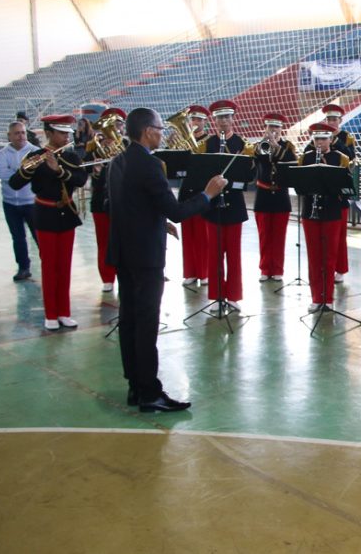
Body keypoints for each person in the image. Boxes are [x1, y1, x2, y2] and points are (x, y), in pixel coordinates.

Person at [106, 107, 226, 412]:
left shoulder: (117, 161)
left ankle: (135, 385)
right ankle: (149, 393)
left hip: (124, 252)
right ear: (148, 131)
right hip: (146, 256)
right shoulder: (149, 165)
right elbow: (178, 211)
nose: (164, 133)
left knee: (129, 320)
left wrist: (158, 222)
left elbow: (129, 205)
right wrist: (208, 194)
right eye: (161, 128)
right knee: (146, 324)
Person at [8, 115, 87, 330]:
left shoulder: (71, 156)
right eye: (61, 133)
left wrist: (59, 170)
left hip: (66, 216)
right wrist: (29, 169)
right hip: (44, 215)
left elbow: (80, 180)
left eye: (67, 133)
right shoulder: (35, 156)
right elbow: (15, 183)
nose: (65, 137)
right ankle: (51, 314)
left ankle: (64, 312)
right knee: (49, 266)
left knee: (65, 266)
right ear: (49, 134)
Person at [198, 99, 254, 311]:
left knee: (234, 253)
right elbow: (201, 173)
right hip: (212, 205)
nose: (223, 121)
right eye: (220, 118)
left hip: (234, 205)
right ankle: (216, 295)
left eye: (227, 117)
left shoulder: (243, 145)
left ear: (233, 118)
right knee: (214, 252)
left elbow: (249, 176)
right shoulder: (207, 144)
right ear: (215, 120)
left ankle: (233, 296)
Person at [299, 122, 351, 311]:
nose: (320, 142)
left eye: (323, 138)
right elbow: (299, 187)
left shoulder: (341, 158)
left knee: (329, 257)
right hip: (309, 212)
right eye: (317, 138)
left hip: (331, 211)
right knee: (314, 257)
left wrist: (329, 175)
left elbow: (346, 189)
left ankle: (327, 299)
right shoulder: (305, 158)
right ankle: (316, 298)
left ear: (331, 139)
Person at [86, 107, 128, 293]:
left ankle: (124, 275)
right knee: (103, 241)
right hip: (100, 198)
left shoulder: (127, 145)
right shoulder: (94, 145)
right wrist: (96, 169)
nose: (115, 127)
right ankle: (107, 278)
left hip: (124, 201)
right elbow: (84, 168)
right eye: (111, 124)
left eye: (118, 124)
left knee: (125, 240)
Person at [254, 112, 297, 282]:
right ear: (265, 128)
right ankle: (265, 269)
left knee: (279, 236)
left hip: (280, 195)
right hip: (263, 195)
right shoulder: (260, 145)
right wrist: (267, 143)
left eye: (277, 127)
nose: (274, 130)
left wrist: (277, 148)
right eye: (271, 127)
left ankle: (278, 269)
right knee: (264, 235)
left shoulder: (288, 146)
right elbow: (258, 159)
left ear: (282, 129)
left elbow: (290, 163)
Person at [0, 120, 39, 281]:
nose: (20, 136)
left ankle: (47, 264)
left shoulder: (36, 152)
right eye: (16, 133)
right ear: (9, 136)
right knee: (18, 238)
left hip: (32, 202)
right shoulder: (1, 155)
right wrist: (25, 173)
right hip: (10, 204)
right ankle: (23, 267)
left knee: (39, 236)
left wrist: (16, 173)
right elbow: (3, 175)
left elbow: (35, 176)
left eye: (23, 132)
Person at [320, 104, 355, 284]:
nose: (331, 122)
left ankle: (340, 269)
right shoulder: (319, 134)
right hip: (322, 191)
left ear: (340, 120)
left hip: (339, 192)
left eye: (334, 119)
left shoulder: (346, 137)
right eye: (328, 119)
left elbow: (351, 158)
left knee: (340, 235)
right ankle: (326, 267)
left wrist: (335, 141)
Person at [179, 104, 211, 287]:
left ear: (205, 123)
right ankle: (190, 271)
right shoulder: (183, 140)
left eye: (199, 120)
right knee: (188, 234)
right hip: (186, 191)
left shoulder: (208, 141)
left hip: (201, 191)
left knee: (202, 235)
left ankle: (203, 271)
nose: (195, 123)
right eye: (193, 120)